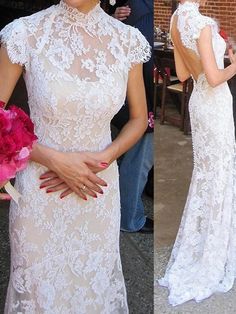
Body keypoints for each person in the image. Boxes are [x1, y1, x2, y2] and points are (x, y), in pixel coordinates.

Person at [0, 0, 151, 312]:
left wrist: (107, 156)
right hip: (42, 190)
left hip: (97, 187)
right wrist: (52, 158)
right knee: (42, 291)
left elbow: (139, 118)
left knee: (91, 288)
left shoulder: (128, 40)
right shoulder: (25, 33)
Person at [158, 0, 236, 306]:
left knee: (207, 174)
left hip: (198, 104)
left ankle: (206, 242)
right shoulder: (202, 24)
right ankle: (215, 250)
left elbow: (182, 72)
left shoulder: (177, 19)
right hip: (214, 104)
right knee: (220, 172)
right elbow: (216, 79)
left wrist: (218, 60)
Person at [109, 0, 154, 233]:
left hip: (142, 89)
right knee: (139, 158)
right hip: (134, 93)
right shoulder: (130, 6)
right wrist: (112, 16)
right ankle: (129, 217)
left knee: (141, 155)